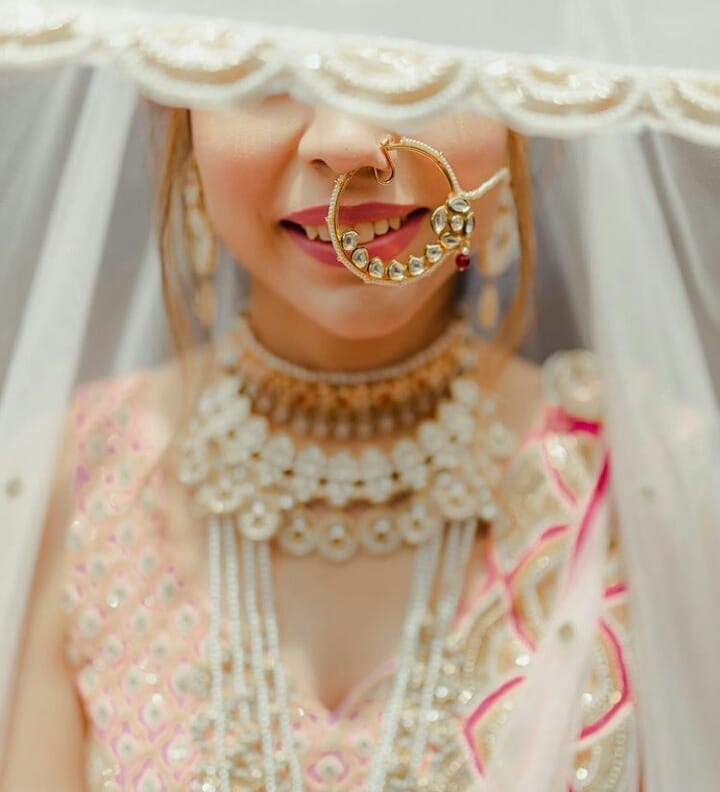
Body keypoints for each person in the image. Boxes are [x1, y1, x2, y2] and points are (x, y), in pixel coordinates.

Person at [0, 95, 639, 791]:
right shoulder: (63, 484)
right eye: (271, 70)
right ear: (176, 106)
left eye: (415, 56)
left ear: (519, 103)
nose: (347, 142)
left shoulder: (652, 489)